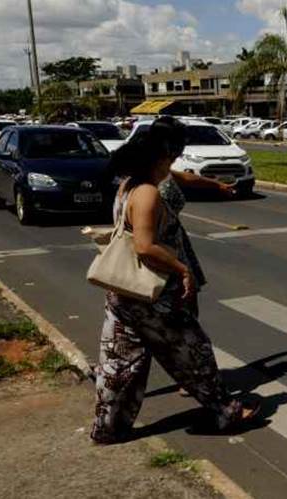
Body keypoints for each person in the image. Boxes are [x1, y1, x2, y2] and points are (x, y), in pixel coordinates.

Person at [91, 117, 258, 444]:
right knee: (193, 350)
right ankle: (224, 411)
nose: (174, 163)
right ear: (160, 160)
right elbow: (144, 246)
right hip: (153, 295)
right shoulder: (148, 193)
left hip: (122, 292)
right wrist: (183, 271)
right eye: (171, 158)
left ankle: (108, 428)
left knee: (120, 365)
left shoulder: (127, 186)